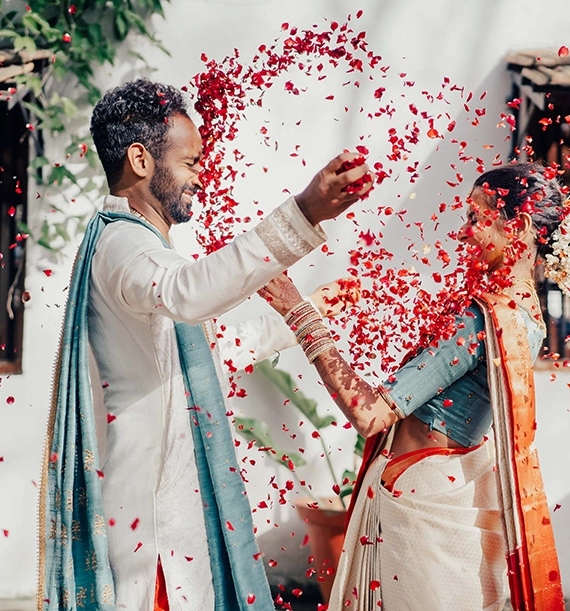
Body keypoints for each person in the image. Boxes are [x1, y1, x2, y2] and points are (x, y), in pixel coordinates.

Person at [37, 78, 372, 611]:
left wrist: (302, 314)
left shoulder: (142, 244)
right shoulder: (124, 245)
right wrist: (304, 212)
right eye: (190, 162)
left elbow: (207, 349)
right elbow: (188, 293)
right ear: (141, 160)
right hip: (151, 506)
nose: (201, 176)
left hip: (175, 495)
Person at [258, 162, 570, 610]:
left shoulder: (481, 319)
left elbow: (369, 414)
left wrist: (299, 313)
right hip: (447, 492)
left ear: (520, 225)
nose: (465, 232)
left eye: (477, 217)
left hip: (419, 505)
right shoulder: (525, 318)